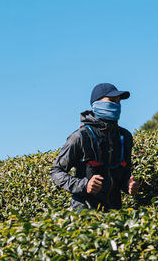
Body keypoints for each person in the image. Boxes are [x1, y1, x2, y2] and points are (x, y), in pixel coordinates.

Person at [50, 83, 139, 211]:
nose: (116, 105)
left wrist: (128, 185)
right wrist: (84, 185)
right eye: (112, 101)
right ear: (97, 103)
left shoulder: (125, 137)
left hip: (114, 214)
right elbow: (56, 172)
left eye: (118, 102)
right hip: (84, 214)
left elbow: (123, 174)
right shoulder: (80, 136)